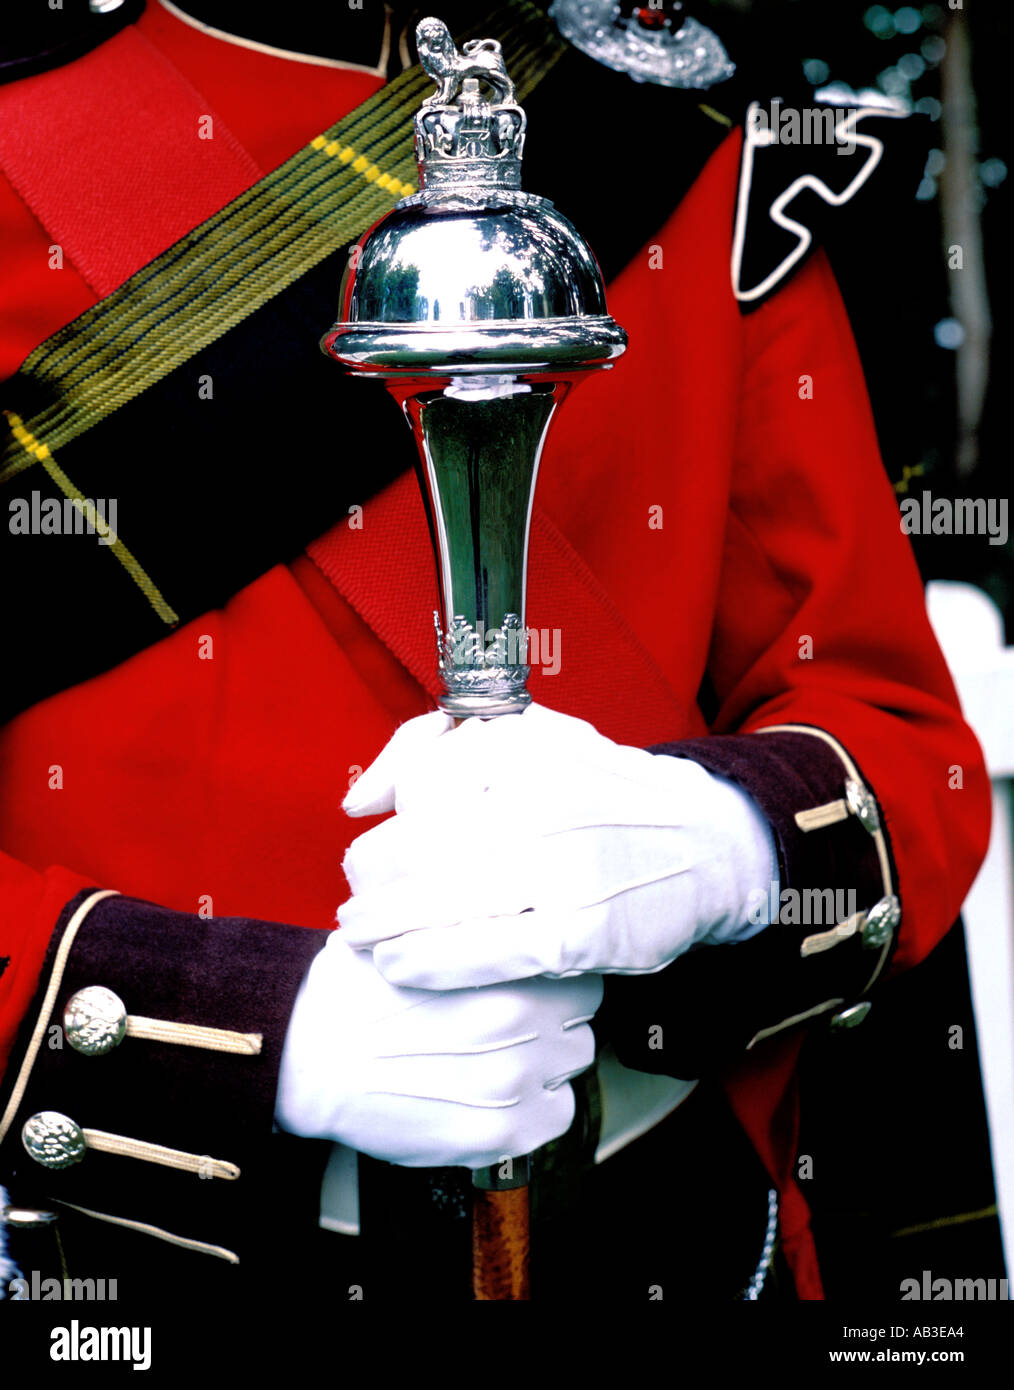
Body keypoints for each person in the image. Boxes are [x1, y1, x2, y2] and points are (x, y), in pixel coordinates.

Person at [0, 0, 990, 1306]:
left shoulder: (659, 129)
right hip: (128, 1256)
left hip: (656, 1228)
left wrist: (724, 842)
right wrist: (219, 1024)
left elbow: (900, 738)